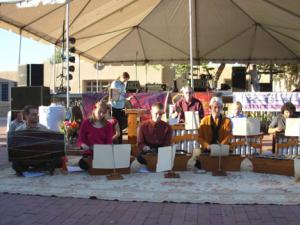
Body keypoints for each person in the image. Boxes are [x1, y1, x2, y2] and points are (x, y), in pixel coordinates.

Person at [77, 100, 113, 170]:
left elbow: (109, 142)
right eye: (100, 112)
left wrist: (106, 151)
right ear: (94, 110)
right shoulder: (86, 123)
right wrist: (83, 144)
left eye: (104, 112)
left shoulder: (108, 125)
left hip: (102, 154)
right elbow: (80, 140)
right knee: (82, 164)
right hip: (89, 153)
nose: (102, 114)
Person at [110, 72, 130, 143]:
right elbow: (114, 97)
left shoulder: (123, 85)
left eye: (126, 80)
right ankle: (114, 142)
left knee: (120, 126)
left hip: (121, 108)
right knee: (115, 126)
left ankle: (119, 142)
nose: (125, 81)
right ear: (121, 77)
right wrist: (125, 99)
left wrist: (125, 103)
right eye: (125, 79)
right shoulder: (115, 83)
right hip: (115, 107)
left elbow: (122, 95)